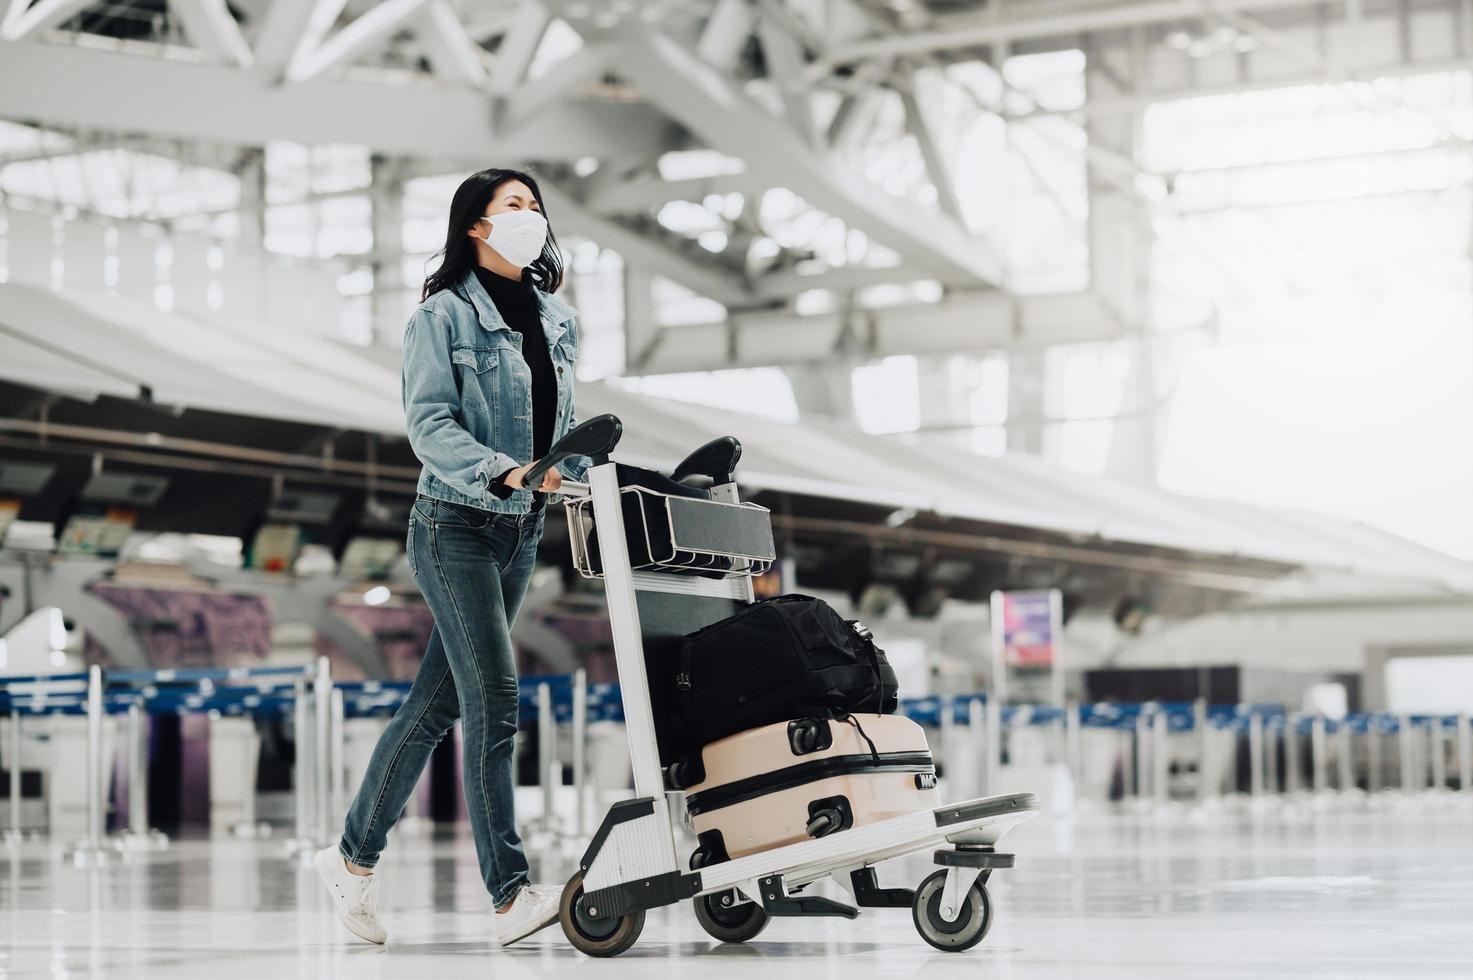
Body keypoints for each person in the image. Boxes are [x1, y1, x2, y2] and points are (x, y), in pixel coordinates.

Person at [313, 168, 589, 947]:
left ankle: (350, 860)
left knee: (433, 707)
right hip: (454, 526)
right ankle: (509, 896)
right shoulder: (440, 316)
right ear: (475, 224)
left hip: (521, 528)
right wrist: (499, 468)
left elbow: (551, 421)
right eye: (513, 206)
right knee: (493, 702)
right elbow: (428, 424)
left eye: (535, 205)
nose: (530, 216)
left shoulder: (557, 319)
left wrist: (558, 470)